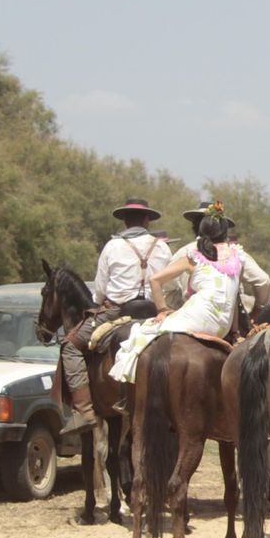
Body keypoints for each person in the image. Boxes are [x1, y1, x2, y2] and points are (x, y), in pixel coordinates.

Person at [60, 197, 172, 474]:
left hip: (117, 312)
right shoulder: (162, 247)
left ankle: (84, 410)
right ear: (147, 221)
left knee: (70, 346)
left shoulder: (112, 246)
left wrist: (102, 303)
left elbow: (99, 290)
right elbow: (173, 284)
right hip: (156, 312)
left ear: (124, 221)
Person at [109, 208, 242, 385]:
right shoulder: (237, 256)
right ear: (225, 233)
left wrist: (163, 310)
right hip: (222, 325)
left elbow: (155, 280)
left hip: (197, 317)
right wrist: (235, 331)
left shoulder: (194, 256)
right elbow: (237, 298)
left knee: (143, 333)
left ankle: (127, 391)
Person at [164, 199, 270, 314]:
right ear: (222, 229)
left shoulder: (184, 252)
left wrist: (180, 309)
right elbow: (263, 281)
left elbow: (166, 286)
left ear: (195, 227)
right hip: (229, 318)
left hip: (191, 315)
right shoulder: (235, 253)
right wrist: (257, 311)